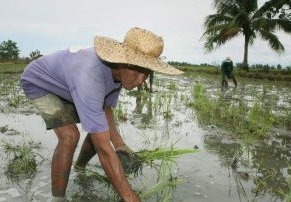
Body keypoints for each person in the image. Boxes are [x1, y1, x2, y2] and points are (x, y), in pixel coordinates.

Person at [20, 27, 182, 201]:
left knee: (99, 128)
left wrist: (120, 145)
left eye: (147, 73)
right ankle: (57, 198)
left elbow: (106, 110)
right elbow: (104, 149)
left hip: (68, 84)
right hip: (40, 82)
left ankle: (79, 168)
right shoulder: (90, 75)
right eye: (136, 70)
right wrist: (130, 197)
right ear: (122, 61)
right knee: (70, 136)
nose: (140, 80)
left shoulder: (118, 75)